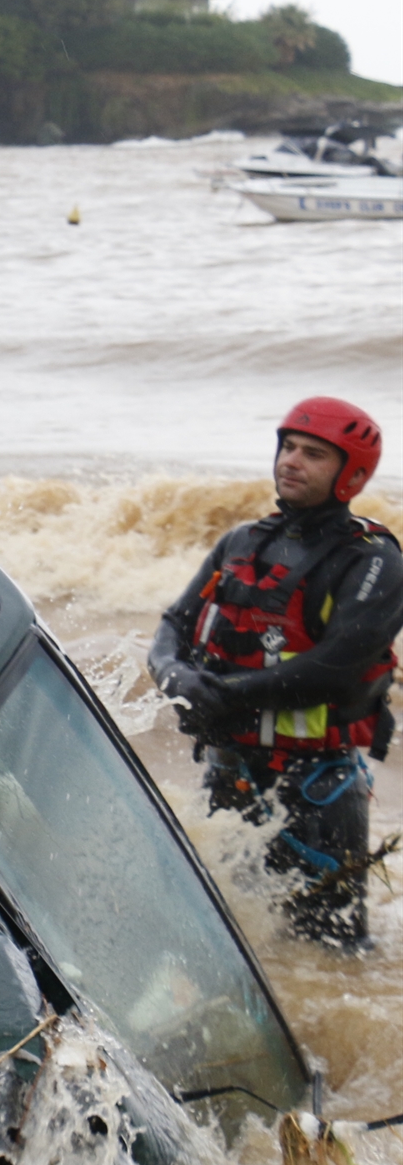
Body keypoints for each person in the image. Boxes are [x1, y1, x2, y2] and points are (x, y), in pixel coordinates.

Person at [149, 397, 403, 947]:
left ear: (352, 475)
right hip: (227, 775)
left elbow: (337, 670)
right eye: (288, 446)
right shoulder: (241, 541)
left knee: (331, 956)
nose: (291, 460)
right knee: (223, 941)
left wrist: (224, 693)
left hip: (318, 795)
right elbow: (174, 624)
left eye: (313, 453)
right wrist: (174, 675)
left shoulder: (373, 559)